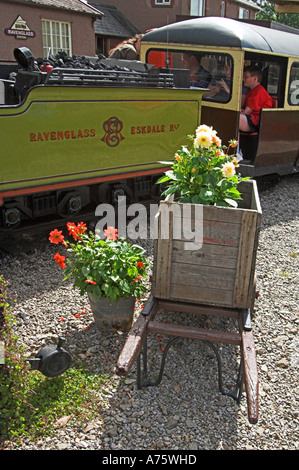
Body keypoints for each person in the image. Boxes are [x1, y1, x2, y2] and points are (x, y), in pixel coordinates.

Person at [239, 65, 272, 132]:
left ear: (255, 79)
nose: (243, 79)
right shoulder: (251, 90)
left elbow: (246, 112)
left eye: (246, 77)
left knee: (236, 118)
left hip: (257, 122)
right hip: (250, 118)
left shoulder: (259, 92)